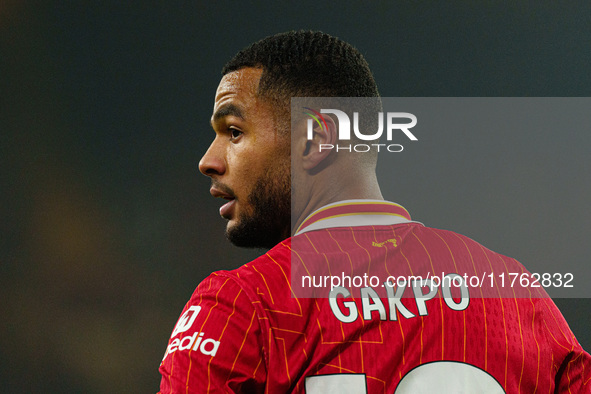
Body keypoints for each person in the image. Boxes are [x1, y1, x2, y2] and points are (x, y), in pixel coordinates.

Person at [158, 30, 590, 393]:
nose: (208, 160)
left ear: (315, 141)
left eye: (233, 132)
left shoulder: (246, 305)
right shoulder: (514, 293)